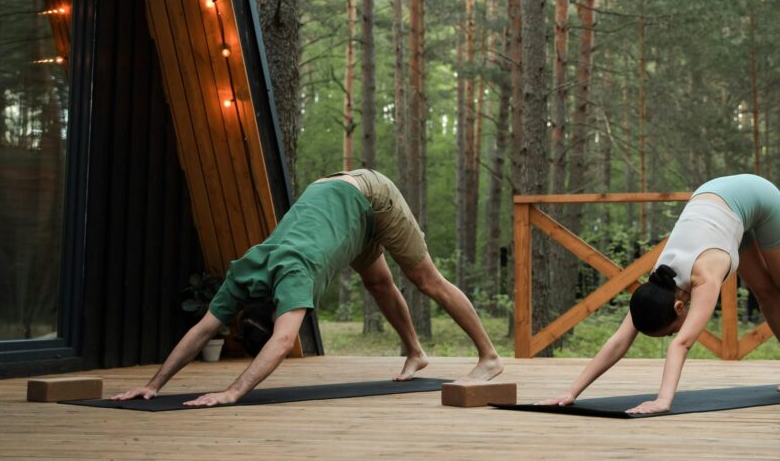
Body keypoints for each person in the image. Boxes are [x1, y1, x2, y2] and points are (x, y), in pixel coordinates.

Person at [112, 169, 504, 407]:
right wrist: (152, 386)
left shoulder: (293, 274)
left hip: (371, 195)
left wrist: (233, 392)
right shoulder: (246, 271)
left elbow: (282, 343)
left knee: (425, 280)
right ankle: (416, 353)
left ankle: (489, 356)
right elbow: (203, 330)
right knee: (377, 281)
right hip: (338, 205)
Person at [539, 174, 780, 414]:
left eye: (673, 326)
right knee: (764, 292)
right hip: (717, 208)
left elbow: (681, 344)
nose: (676, 332)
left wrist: (662, 400)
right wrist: (572, 392)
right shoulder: (655, 287)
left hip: (756, 197)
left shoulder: (704, 278)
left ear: (679, 305)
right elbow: (618, 341)